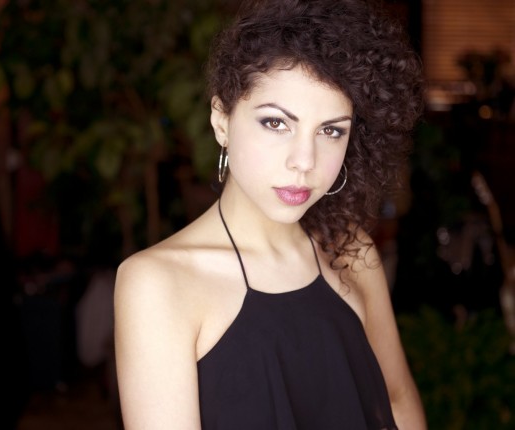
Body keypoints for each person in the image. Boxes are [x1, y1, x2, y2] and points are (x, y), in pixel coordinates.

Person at [114, 0, 426, 428]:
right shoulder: (157, 283)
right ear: (221, 120)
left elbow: (397, 399)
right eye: (276, 123)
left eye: (331, 130)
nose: (304, 161)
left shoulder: (351, 252)